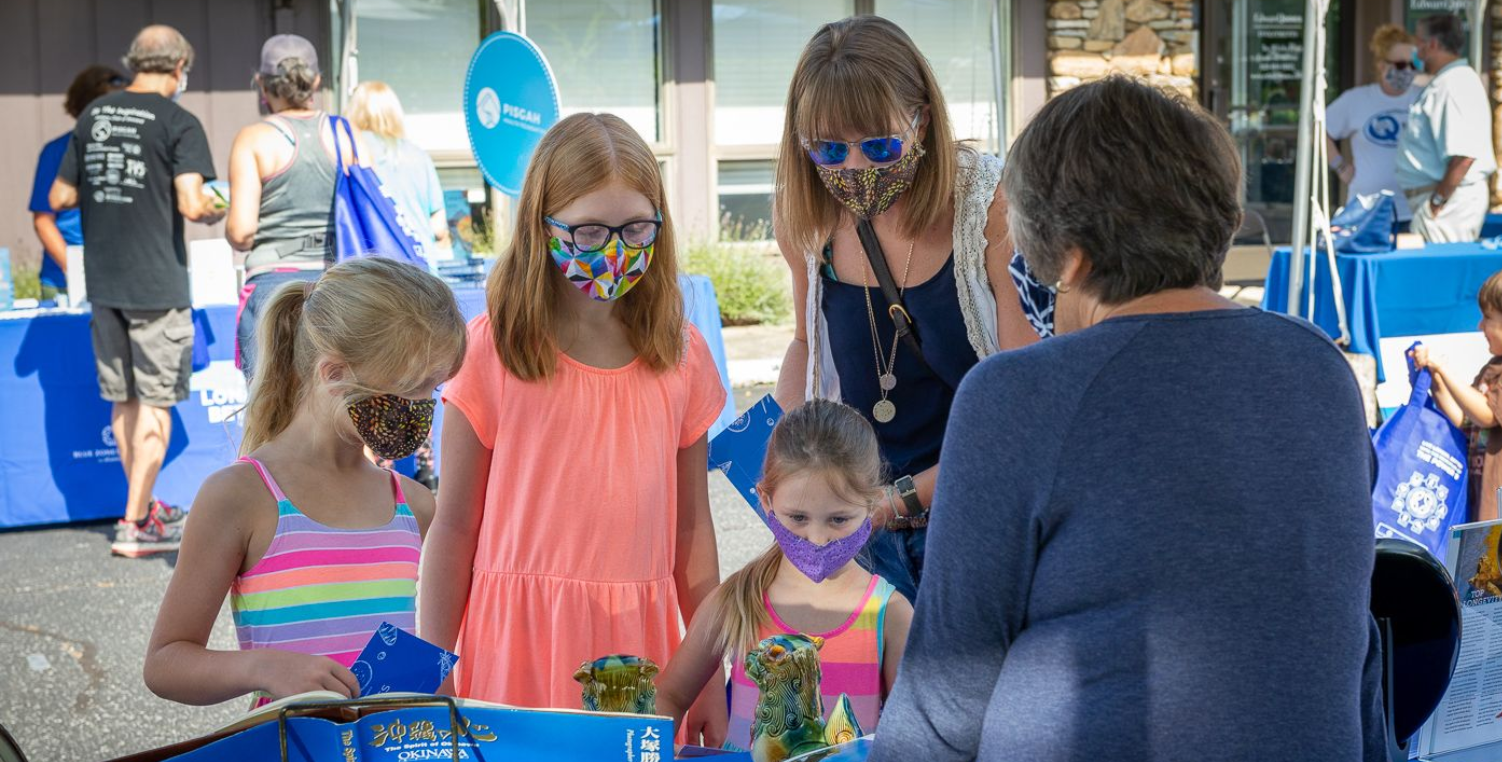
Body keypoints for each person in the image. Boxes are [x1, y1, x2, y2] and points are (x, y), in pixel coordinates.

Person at [872, 77, 1387, 762]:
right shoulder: (1319, 370)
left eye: (1023, 242)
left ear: (1073, 255)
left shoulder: (1019, 396)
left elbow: (941, 707)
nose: (1022, 267)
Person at [419, 113, 727, 744]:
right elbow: (453, 528)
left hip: (640, 655)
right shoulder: (490, 351)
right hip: (514, 650)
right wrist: (431, 668)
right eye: (588, 230)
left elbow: (692, 529)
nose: (614, 249)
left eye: (636, 227)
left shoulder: (683, 354)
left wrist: (708, 672)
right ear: (542, 226)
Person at [772, 16, 1049, 603]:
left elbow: (1022, 407)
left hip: (974, 515)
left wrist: (897, 502)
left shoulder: (990, 206)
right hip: (864, 525)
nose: (852, 168)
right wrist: (791, 469)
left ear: (922, 119)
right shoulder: (807, 211)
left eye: (878, 145)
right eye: (827, 148)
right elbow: (805, 345)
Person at [142, 258, 466, 706]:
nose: (422, 407)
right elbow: (166, 663)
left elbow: (431, 670)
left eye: (433, 389)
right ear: (333, 372)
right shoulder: (241, 497)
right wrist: (266, 667)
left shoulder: (414, 505)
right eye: (410, 386)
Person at [49, 25, 224, 558]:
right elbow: (194, 205)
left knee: (124, 401)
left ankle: (142, 508)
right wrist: (222, 205)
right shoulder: (179, 121)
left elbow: (60, 195)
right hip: (156, 284)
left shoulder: (93, 116)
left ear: (134, 62)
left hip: (104, 283)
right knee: (156, 403)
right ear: (179, 67)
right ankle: (134, 524)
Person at [657, 399, 912, 749]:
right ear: (766, 501)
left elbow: (912, 739)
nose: (818, 539)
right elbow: (668, 697)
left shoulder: (892, 615)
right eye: (798, 518)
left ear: (873, 505)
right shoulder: (736, 600)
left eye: (838, 519)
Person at [226, 34, 360, 379]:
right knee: (342, 407)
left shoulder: (254, 139)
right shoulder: (346, 135)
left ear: (261, 83)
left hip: (274, 291)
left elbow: (241, 232)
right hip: (339, 285)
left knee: (273, 412)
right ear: (316, 81)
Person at [1409, 270, 1502, 522]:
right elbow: (1464, 418)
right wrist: (1436, 381)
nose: (1480, 326)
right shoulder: (1491, 368)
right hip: (1480, 489)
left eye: (1487, 318)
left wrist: (1444, 369)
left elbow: (1487, 416)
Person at [1396, 12, 1496, 243]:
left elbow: (1464, 156)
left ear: (1432, 44)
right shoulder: (1447, 81)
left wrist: (1437, 202)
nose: (1415, 50)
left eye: (1418, 42)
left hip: (1448, 206)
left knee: (1438, 275)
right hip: (1442, 202)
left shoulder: (1456, 83)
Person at [29, 65, 125, 301]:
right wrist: (76, 271)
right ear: (86, 106)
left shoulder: (128, 149)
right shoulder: (57, 151)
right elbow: (43, 220)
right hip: (64, 281)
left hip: (121, 276)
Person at [1326, 24, 1421, 229]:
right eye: (1400, 65)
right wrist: (1340, 167)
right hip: (1365, 210)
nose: (1408, 71)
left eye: (1413, 65)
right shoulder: (1357, 100)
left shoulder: (1425, 97)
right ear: (1381, 64)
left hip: (1413, 209)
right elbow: (1317, 131)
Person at [347, 81, 451, 259]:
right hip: (420, 263)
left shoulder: (351, 151)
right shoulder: (419, 155)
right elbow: (439, 227)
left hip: (373, 269)